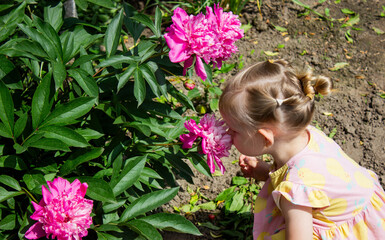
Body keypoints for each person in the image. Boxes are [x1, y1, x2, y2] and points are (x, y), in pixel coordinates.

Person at [219, 59, 385, 240]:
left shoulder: (296, 193)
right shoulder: (306, 137)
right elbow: (312, 182)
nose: (227, 132)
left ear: (265, 138)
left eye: (234, 130)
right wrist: (266, 172)